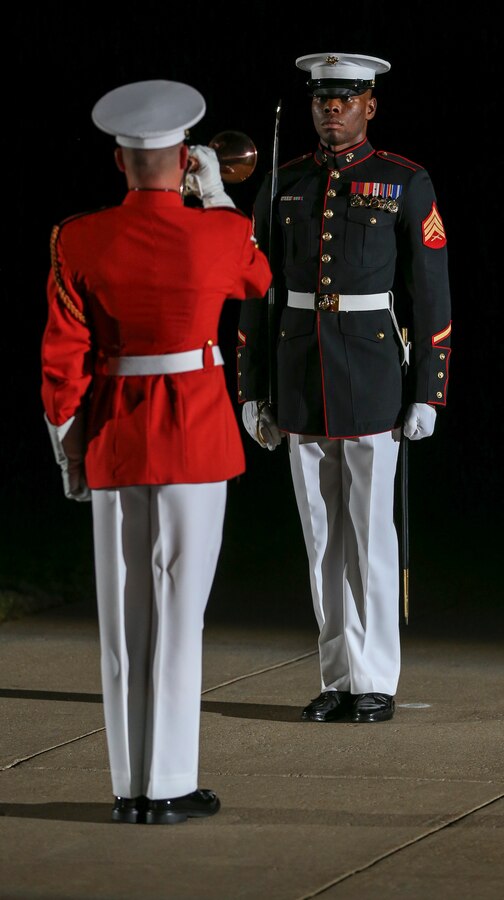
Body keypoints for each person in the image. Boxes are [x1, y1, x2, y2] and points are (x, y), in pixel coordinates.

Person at [40, 79, 272, 823]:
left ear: (119, 160)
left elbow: (62, 355)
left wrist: (66, 443)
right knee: (180, 611)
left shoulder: (77, 237)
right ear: (184, 158)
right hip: (197, 432)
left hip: (114, 430)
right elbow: (260, 278)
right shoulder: (220, 234)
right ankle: (168, 785)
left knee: (123, 613)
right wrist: (217, 198)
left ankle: (128, 790)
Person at [238, 53, 451, 724]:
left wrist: (428, 390)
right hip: (301, 372)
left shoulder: (403, 182)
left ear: (370, 105)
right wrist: (252, 390)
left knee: (369, 536)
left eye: (346, 97)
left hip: (372, 373)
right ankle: (338, 673)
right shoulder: (283, 182)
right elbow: (255, 295)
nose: (332, 108)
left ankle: (376, 677)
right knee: (322, 536)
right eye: (323, 98)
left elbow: (431, 290)